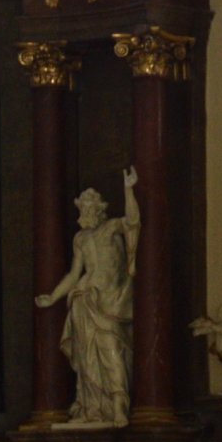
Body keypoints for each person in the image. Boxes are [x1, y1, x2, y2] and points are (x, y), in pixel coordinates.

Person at [36, 170, 139, 427]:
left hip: (111, 301)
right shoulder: (80, 238)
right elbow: (74, 274)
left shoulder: (113, 227)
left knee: (112, 350)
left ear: (100, 209)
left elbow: (134, 220)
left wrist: (128, 190)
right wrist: (53, 296)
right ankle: (91, 407)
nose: (87, 211)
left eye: (91, 207)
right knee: (87, 359)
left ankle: (117, 405)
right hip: (84, 299)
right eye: (83, 208)